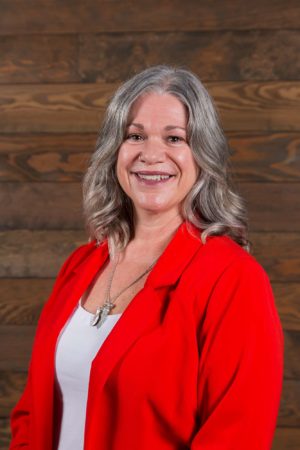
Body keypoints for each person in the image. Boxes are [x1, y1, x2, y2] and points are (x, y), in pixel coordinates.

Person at [9, 65, 284, 450]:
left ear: (202, 155)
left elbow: (237, 435)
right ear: (115, 150)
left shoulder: (233, 279)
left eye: (174, 138)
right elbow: (31, 413)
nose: (151, 154)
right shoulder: (81, 264)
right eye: (135, 135)